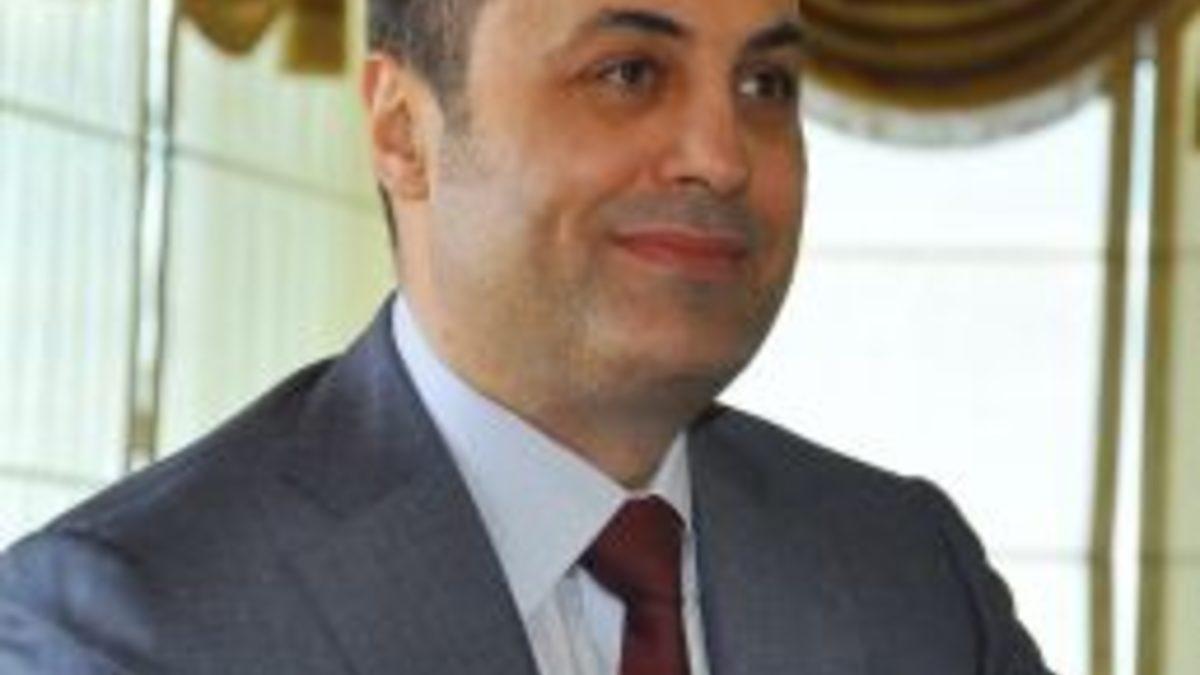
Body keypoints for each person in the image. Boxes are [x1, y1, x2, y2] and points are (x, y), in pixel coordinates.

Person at [0, 0, 1055, 673]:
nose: (722, 154)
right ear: (404, 132)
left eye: (764, 85)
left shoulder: (912, 573)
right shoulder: (132, 620)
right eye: (629, 72)